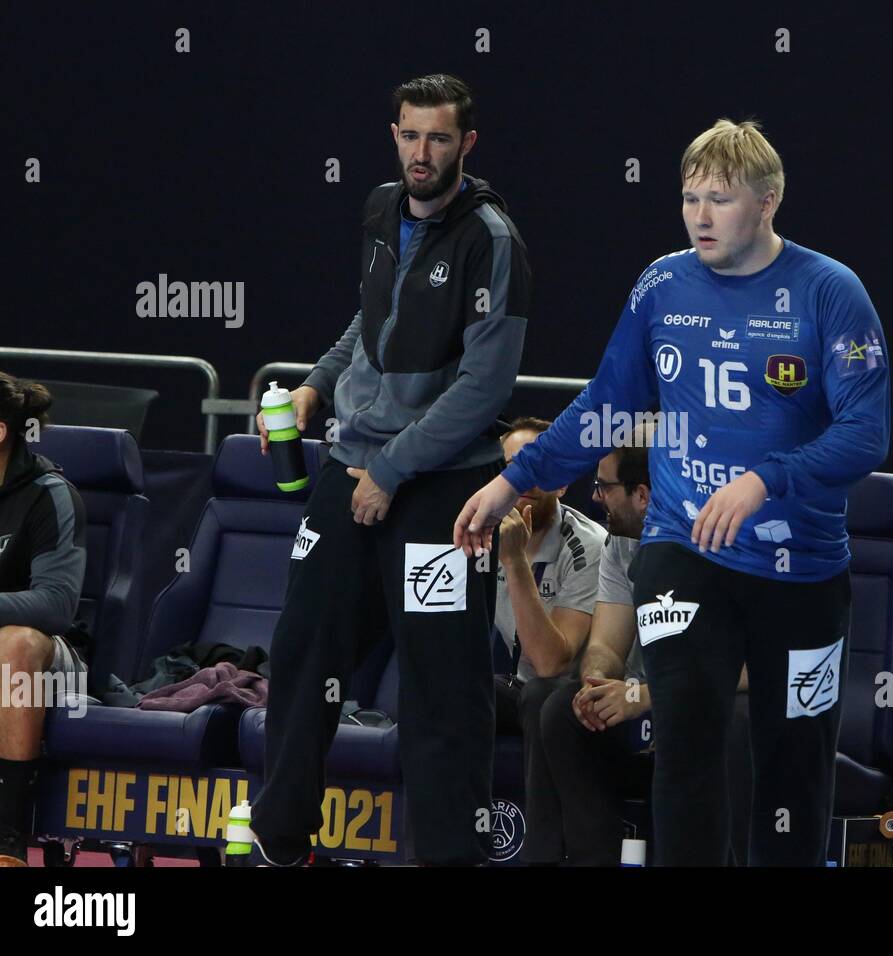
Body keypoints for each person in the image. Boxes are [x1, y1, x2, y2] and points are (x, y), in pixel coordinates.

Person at [455, 118, 890, 865]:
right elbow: (607, 405)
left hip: (803, 571)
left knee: (795, 762)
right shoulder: (662, 283)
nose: (699, 215)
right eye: (689, 198)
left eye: (719, 199)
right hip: (682, 554)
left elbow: (866, 433)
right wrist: (513, 479)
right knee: (687, 743)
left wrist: (766, 479)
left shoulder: (830, 292)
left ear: (769, 199)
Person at [247, 74, 531, 866]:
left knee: (444, 684)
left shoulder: (493, 241)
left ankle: (449, 855)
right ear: (394, 135)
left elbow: (486, 387)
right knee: (303, 651)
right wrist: (315, 383)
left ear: (466, 146)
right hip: (349, 470)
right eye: (410, 136)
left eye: (439, 139)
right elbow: (370, 321)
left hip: (440, 490)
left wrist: (396, 470)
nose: (422, 153)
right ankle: (279, 839)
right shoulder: (378, 209)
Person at [538, 434, 752, 865]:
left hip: (715, 700)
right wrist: (597, 681)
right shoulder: (620, 542)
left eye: (604, 487)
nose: (595, 497)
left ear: (642, 495)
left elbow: (753, 666)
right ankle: (593, 859)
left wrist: (641, 697)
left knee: (735, 721)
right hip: (649, 700)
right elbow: (605, 642)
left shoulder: (723, 540)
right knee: (561, 708)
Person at [489, 417, 605, 864]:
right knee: (447, 690)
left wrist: (515, 561)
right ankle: (440, 844)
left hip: (575, 692)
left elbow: (551, 663)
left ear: (562, 482)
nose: (525, 481)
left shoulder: (589, 547)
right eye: (514, 468)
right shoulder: (476, 530)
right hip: (519, 685)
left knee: (542, 695)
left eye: (540, 468)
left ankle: (543, 856)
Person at [0, 371, 88, 868]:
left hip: (43, 667)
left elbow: (56, 606)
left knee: (17, 640)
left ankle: (8, 837)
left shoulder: (50, 494)